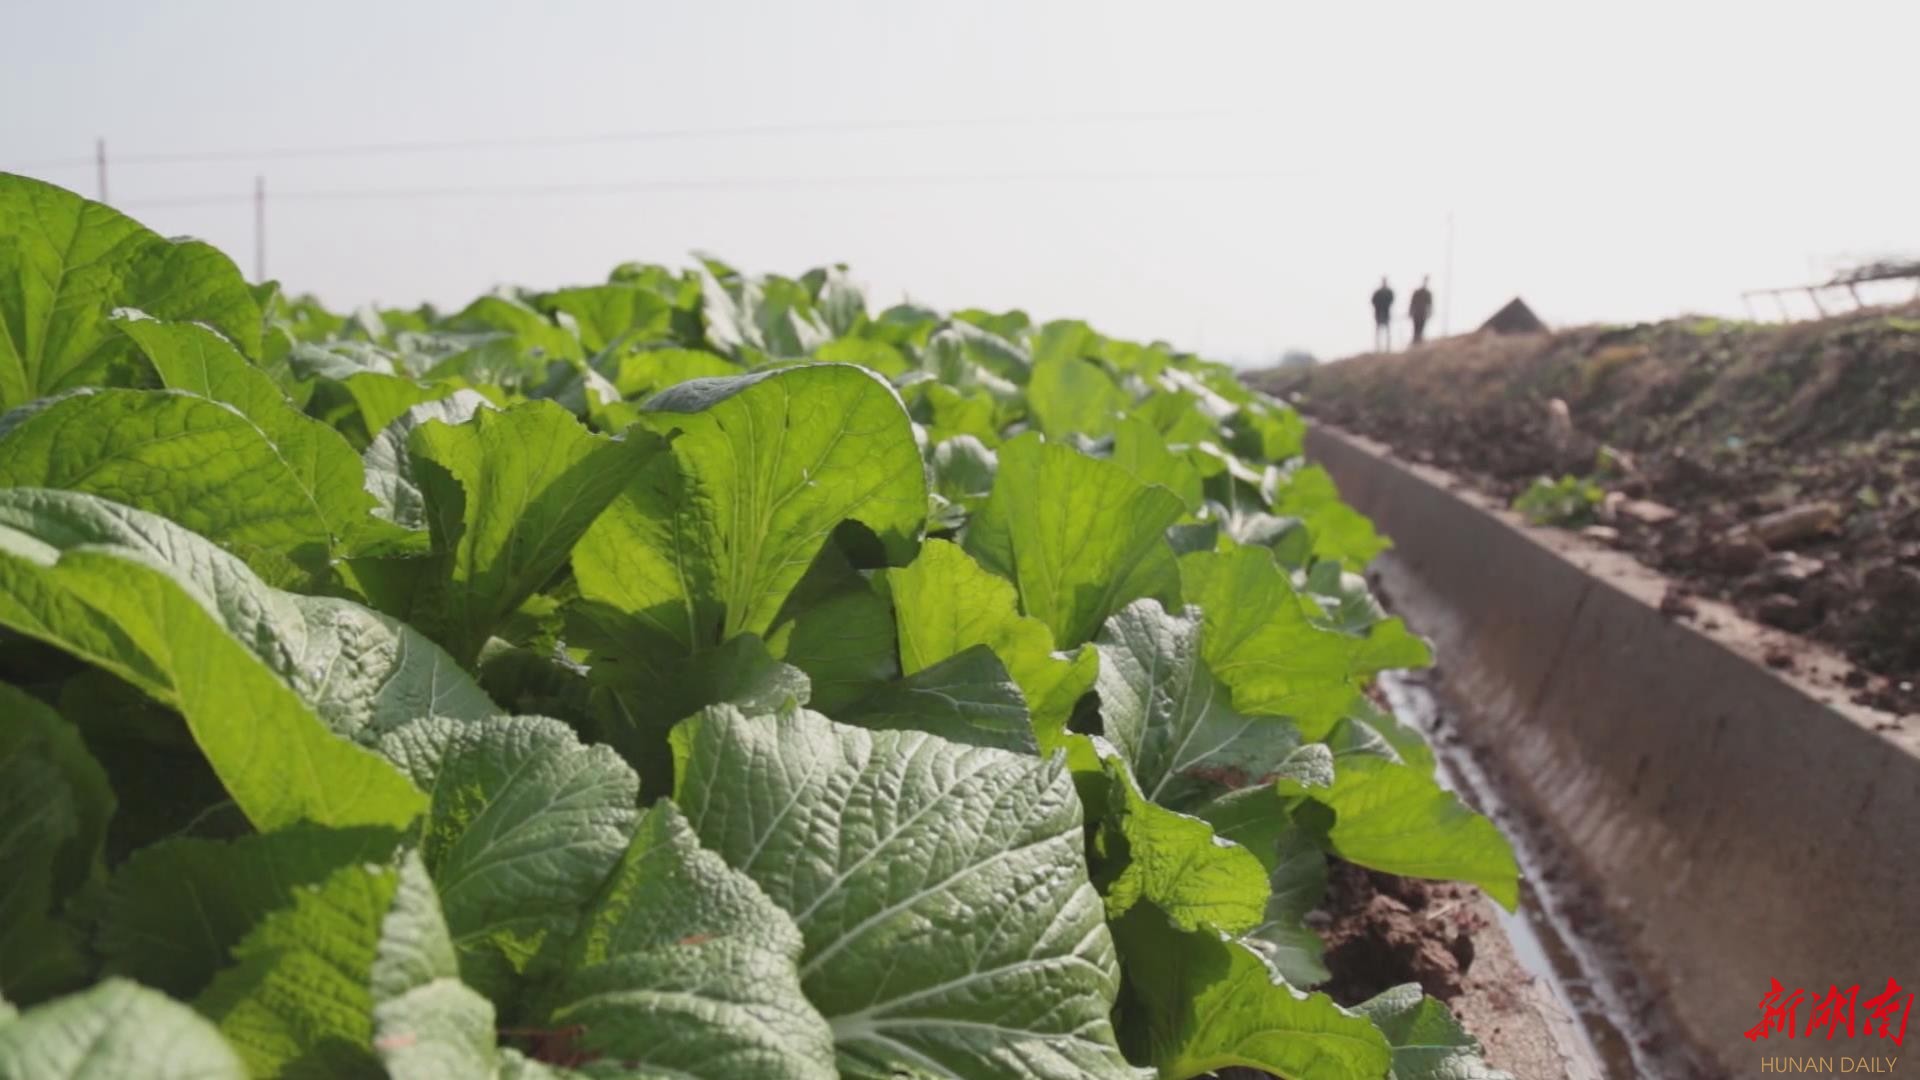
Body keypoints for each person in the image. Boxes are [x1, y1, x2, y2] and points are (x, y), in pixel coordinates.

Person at [1371, 277, 1395, 351]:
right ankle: (1377, 346)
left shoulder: (1389, 292)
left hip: (1386, 312)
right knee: (1379, 330)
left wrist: (1386, 306)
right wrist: (1378, 307)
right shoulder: (1378, 292)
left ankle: (1387, 346)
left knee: (1387, 330)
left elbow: (1392, 300)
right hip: (1379, 312)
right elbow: (1373, 301)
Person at [1410, 276, 1434, 345]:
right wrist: (1411, 312)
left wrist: (1430, 312)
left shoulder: (1428, 293)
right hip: (1417, 314)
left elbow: (1430, 304)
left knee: (1421, 329)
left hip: (1423, 314)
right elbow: (1412, 302)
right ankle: (1415, 342)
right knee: (1416, 329)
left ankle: (1418, 343)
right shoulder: (1417, 292)